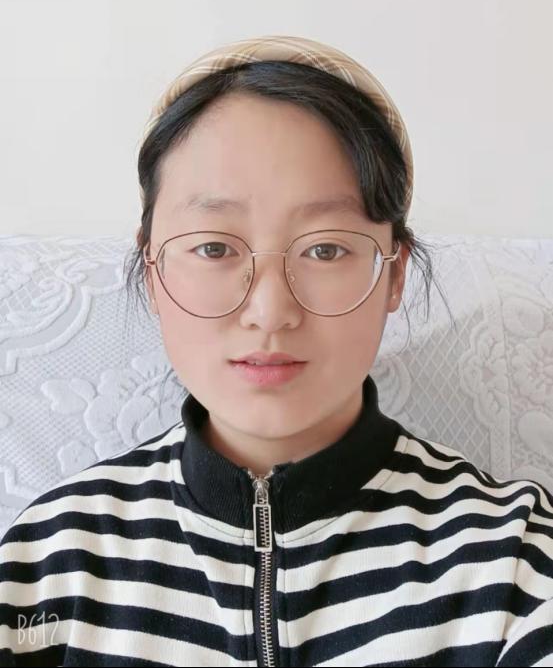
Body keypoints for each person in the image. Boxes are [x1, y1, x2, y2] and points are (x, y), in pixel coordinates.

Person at [1, 35, 552, 667]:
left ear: (395, 272)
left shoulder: (512, 556)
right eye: (214, 248)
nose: (270, 311)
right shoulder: (50, 561)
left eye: (325, 249)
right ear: (151, 268)